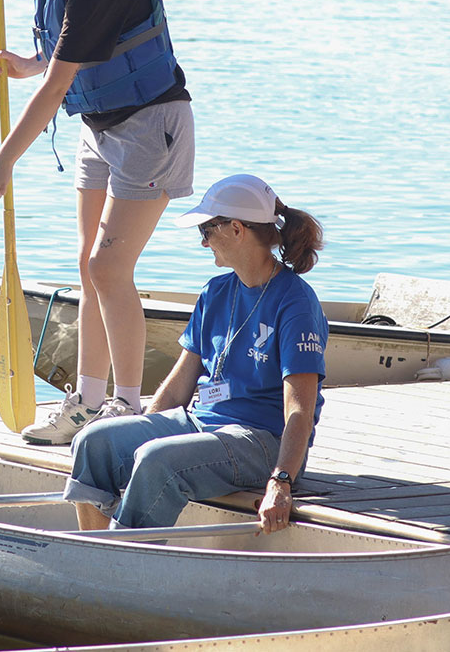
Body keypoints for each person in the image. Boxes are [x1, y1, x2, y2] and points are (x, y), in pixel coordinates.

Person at [0, 0, 195, 445]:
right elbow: (65, 53)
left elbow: (57, 87)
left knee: (109, 269)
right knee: (88, 266)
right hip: (99, 128)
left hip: (151, 128)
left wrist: (3, 165)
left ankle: (127, 407)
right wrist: (24, 64)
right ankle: (87, 404)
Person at [62, 174, 328, 532]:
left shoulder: (296, 302)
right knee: (93, 442)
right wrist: (142, 428)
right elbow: (176, 389)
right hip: (201, 423)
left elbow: (299, 410)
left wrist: (280, 482)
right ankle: (97, 553)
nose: (204, 244)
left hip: (261, 441)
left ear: (237, 229)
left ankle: (121, 564)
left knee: (157, 461)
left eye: (206, 231)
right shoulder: (215, 291)